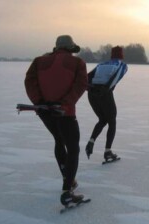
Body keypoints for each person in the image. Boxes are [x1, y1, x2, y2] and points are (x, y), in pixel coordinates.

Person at [24, 35, 88, 205]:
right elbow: (81, 85)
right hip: (64, 112)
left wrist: (39, 102)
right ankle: (67, 190)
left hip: (45, 112)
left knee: (59, 141)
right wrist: (65, 103)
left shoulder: (39, 61)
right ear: (70, 48)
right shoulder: (78, 63)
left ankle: (69, 180)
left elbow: (29, 82)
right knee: (73, 148)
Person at [85, 46, 128, 162]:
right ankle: (107, 152)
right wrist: (105, 90)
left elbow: (87, 77)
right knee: (112, 122)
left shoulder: (101, 64)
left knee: (103, 119)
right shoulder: (122, 65)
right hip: (104, 93)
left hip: (92, 94)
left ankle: (91, 141)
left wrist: (89, 89)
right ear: (121, 55)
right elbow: (115, 79)